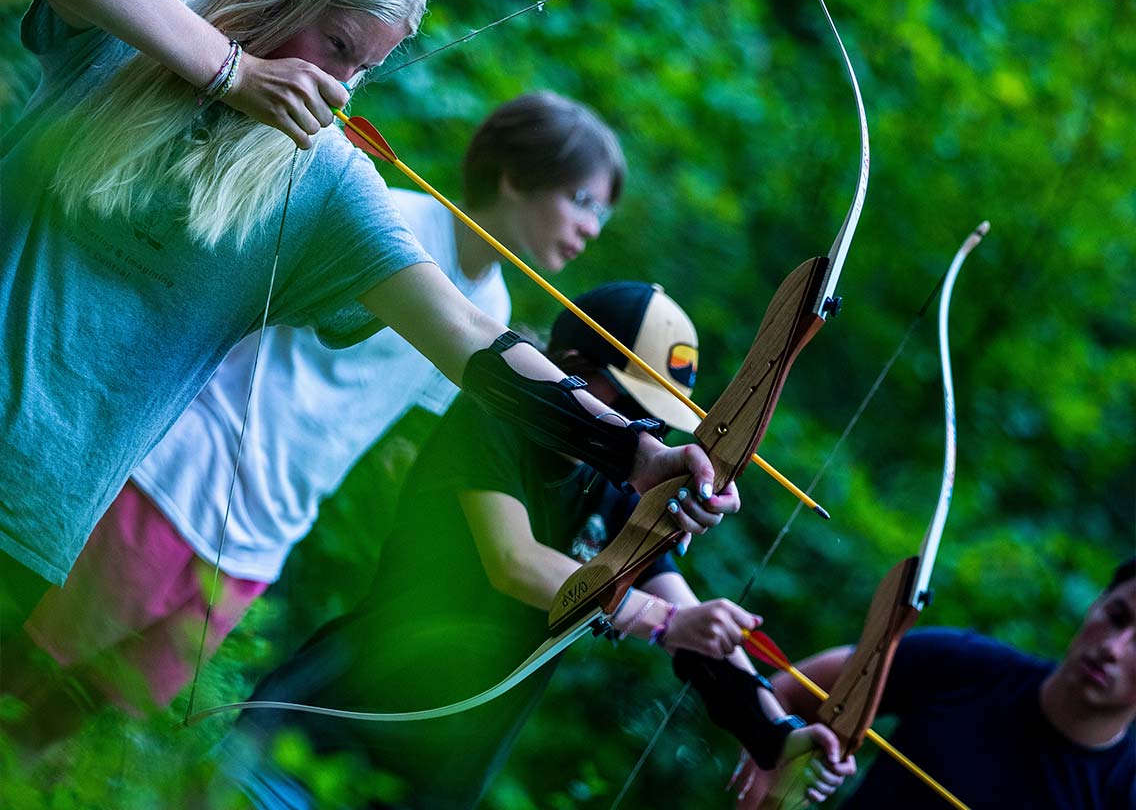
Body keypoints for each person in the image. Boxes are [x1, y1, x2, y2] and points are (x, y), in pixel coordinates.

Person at [1, 0, 731, 666]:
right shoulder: (147, 21)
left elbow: (466, 332)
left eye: (365, 68)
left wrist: (635, 452)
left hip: (31, 515)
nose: (342, 86)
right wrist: (236, 74)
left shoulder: (323, 183)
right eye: (339, 45)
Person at [13, 90, 626, 729]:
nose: (589, 228)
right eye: (581, 201)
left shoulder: (492, 308)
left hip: (259, 546)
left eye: (601, 217)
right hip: (175, 487)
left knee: (87, 724)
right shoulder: (389, 221)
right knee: (24, 672)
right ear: (515, 176)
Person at [218, 282, 856, 810]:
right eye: (636, 407)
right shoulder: (493, 417)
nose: (652, 432)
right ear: (573, 370)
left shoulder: (616, 492)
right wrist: (661, 621)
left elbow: (692, 621)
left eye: (663, 420)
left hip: (437, 783)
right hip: (324, 731)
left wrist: (775, 732)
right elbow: (514, 561)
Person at [734, 557, 1136, 809]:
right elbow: (788, 692)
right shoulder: (961, 663)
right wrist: (767, 787)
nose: (1114, 649)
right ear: (1096, 603)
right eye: (1116, 616)